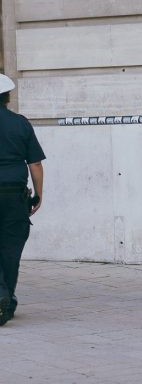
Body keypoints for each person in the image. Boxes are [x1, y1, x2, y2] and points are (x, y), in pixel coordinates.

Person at [0, 73, 45, 324]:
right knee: (11, 248)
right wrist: (39, 194)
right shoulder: (20, 123)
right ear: (7, 97)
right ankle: (7, 299)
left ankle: (2, 296)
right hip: (15, 196)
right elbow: (35, 163)